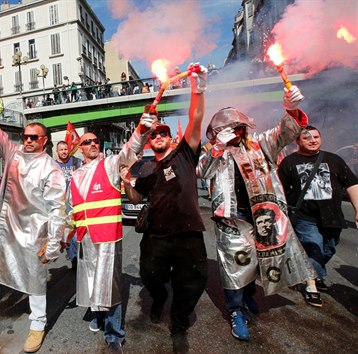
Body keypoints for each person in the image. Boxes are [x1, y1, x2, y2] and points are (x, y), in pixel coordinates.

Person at [196, 85, 318, 342]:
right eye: (229, 128)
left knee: (259, 259)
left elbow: (285, 132)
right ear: (217, 132)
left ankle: (250, 295)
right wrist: (219, 146)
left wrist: (291, 108)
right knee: (234, 266)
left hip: (263, 214)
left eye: (239, 127)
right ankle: (235, 310)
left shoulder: (260, 145)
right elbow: (203, 172)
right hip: (231, 218)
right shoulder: (213, 152)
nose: (236, 132)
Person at [0, 92, 66, 353]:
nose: (27, 140)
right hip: (10, 229)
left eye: (33, 137)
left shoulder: (52, 169)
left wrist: (53, 245)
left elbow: (58, 210)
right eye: (25, 136)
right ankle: (32, 316)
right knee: (9, 271)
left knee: (36, 281)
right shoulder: (13, 154)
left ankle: (38, 325)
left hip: (36, 234)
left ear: (44, 141)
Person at [122, 64, 208, 354]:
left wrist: (198, 87)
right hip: (156, 236)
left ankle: (179, 324)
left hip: (189, 234)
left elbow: (196, 118)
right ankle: (158, 298)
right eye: (154, 133)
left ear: (171, 138)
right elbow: (135, 200)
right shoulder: (146, 167)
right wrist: (125, 184)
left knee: (192, 283)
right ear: (149, 140)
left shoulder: (185, 154)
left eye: (163, 132)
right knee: (151, 277)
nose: (158, 136)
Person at [67, 107, 152, 353]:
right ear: (80, 149)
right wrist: (65, 237)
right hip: (85, 239)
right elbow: (70, 209)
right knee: (93, 282)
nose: (94, 144)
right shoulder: (75, 176)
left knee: (111, 284)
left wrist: (141, 130)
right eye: (87, 142)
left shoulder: (110, 165)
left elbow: (130, 150)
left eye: (96, 141)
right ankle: (99, 315)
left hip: (107, 238)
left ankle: (114, 334)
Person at [279, 126, 358, 293]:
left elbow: (351, 184)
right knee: (313, 246)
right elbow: (280, 191)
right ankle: (311, 287)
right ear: (298, 141)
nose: (313, 140)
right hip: (304, 216)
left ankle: (313, 273)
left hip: (332, 216)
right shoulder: (289, 162)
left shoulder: (334, 160)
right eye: (308, 138)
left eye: (316, 137)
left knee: (328, 248)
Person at [54, 140, 82, 269]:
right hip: (60, 206)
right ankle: (72, 255)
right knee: (65, 235)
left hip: (76, 204)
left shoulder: (76, 162)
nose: (64, 152)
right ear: (57, 151)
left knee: (76, 233)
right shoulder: (52, 165)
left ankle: (75, 258)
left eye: (66, 149)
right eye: (61, 150)